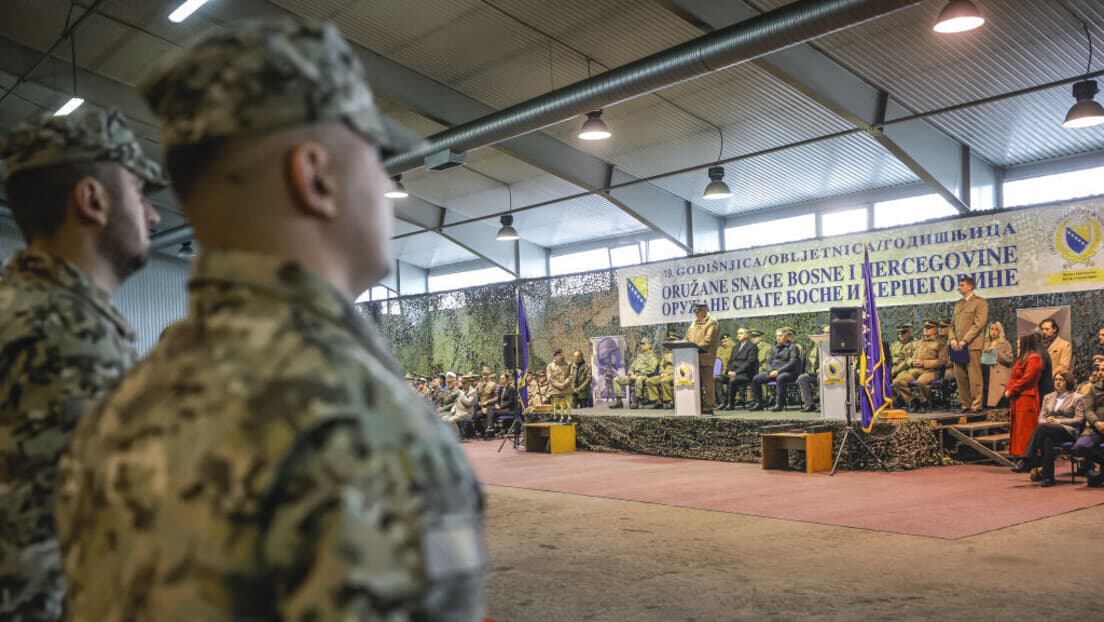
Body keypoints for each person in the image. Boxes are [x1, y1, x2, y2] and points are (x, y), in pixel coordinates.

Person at [54, 19, 486, 620]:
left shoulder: (120, 407)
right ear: (315, 175)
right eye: (376, 156)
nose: (387, 183)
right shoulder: (366, 430)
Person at [0, 110, 164, 621]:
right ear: (91, 200)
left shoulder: (19, 306)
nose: (154, 216)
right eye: (139, 193)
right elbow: (60, 553)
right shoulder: (69, 337)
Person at [1011, 371, 1086, 486]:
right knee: (1047, 440)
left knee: (1043, 429)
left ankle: (1027, 460)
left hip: (1067, 430)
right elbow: (1041, 417)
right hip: (1047, 428)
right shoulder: (1048, 397)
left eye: (1061, 380)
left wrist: (1058, 421)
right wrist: (1047, 422)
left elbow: (1079, 419)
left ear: (1068, 382)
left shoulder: (1077, 398)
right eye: (1056, 380)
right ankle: (1048, 479)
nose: (1057, 382)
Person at [891, 320, 948, 414]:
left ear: (936, 330)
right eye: (925, 327)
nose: (925, 330)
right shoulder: (917, 343)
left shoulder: (940, 343)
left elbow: (942, 361)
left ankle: (924, 402)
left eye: (929, 328)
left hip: (931, 371)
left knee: (921, 382)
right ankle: (912, 401)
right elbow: (907, 357)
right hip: (914, 369)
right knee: (898, 381)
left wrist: (924, 363)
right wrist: (912, 362)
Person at [949, 276, 988, 412]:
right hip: (956, 346)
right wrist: (953, 339)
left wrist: (964, 340)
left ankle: (976, 405)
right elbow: (952, 325)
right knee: (960, 377)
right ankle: (965, 404)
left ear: (970, 287)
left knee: (974, 376)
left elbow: (978, 325)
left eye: (961, 285)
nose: (959, 287)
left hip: (971, 345)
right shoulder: (958, 304)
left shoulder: (980, 303)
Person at [1005, 332, 1045, 458]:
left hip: (1027, 397)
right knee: (1018, 429)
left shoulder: (1034, 358)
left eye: (1019, 341)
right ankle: (1020, 455)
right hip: (1017, 398)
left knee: (1026, 429)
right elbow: (1013, 377)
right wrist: (1009, 388)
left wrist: (1012, 390)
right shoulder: (1022, 358)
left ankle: (1029, 457)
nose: (1017, 343)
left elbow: (1027, 378)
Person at [749, 328, 801, 412]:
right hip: (773, 372)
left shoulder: (793, 347)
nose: (778, 338)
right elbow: (768, 362)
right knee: (756, 378)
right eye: (777, 336)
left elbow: (792, 362)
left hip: (789, 373)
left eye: (780, 336)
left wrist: (778, 371)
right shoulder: (774, 347)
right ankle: (759, 403)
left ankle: (779, 404)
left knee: (780, 378)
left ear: (786, 336)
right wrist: (770, 371)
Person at [686, 302, 720, 414]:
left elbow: (708, 341)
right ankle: (698, 403)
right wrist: (685, 344)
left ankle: (710, 405)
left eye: (699, 311)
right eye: (695, 311)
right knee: (696, 382)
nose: (697, 313)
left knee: (707, 382)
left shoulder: (712, 323)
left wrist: (694, 346)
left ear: (705, 310)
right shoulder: (693, 323)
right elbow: (687, 337)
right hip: (693, 357)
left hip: (706, 357)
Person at [1075, 363, 1104, 485]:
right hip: (1095, 428)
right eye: (1100, 370)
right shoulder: (1094, 388)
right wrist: (1096, 422)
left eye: (1103, 370)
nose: (1100, 373)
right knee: (1080, 447)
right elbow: (1088, 409)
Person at [611, 337, 658, 409]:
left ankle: (636, 401)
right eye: (641, 344)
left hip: (645, 377)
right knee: (616, 379)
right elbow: (631, 367)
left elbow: (651, 369)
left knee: (638, 379)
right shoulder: (639, 356)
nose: (641, 345)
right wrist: (631, 373)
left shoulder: (653, 356)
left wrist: (637, 375)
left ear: (649, 345)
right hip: (634, 376)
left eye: (643, 344)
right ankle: (619, 401)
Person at [723, 328, 758, 409]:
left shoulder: (752, 347)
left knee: (733, 380)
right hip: (733, 373)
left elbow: (749, 363)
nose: (738, 335)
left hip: (746, 374)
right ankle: (722, 402)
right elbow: (731, 361)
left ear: (746, 335)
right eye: (738, 333)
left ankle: (730, 404)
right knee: (717, 379)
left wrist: (736, 372)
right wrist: (729, 371)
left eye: (741, 333)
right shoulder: (735, 347)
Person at [981, 321, 1014, 408]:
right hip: (985, 373)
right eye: (992, 329)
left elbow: (1009, 359)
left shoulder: (1005, 343)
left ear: (1000, 331)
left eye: (996, 329)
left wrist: (996, 352)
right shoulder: (985, 344)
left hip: (998, 376)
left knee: (996, 401)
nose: (994, 332)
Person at [797, 325, 829, 413]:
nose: (825, 334)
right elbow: (817, 362)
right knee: (802, 378)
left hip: (833, 373)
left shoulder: (838, 345)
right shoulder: (821, 345)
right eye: (824, 332)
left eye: (827, 333)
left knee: (820, 377)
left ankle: (825, 404)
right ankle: (809, 404)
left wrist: (824, 369)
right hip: (820, 372)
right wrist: (816, 369)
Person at [646, 332, 679, 409]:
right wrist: (662, 372)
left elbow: (679, 367)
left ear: (677, 341)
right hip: (664, 374)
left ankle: (669, 401)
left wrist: (668, 374)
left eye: (673, 340)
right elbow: (661, 365)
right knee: (649, 381)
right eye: (670, 340)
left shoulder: (680, 352)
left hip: (674, 374)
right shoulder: (666, 354)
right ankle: (658, 401)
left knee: (664, 380)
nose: (671, 342)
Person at [714, 334, 734, 409]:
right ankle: (722, 402)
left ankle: (727, 402)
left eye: (726, 341)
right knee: (716, 378)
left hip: (733, 372)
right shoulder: (720, 349)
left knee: (730, 380)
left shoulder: (735, 348)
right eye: (722, 342)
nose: (724, 343)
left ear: (730, 340)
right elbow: (716, 359)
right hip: (723, 372)